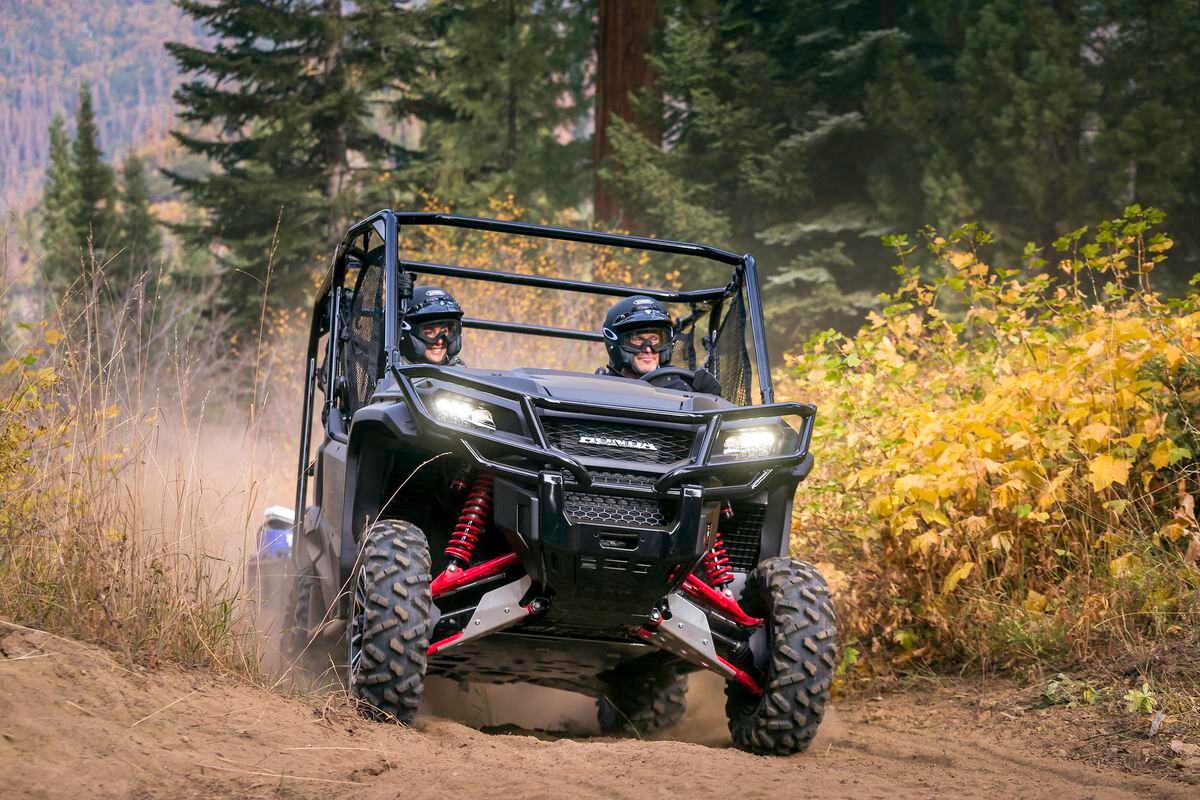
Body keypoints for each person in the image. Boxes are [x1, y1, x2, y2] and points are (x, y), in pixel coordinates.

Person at [597, 295, 720, 394]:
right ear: (616, 344)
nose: (648, 349)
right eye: (637, 340)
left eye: (655, 339)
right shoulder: (603, 390)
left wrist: (712, 398)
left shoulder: (681, 388)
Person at [397, 284, 467, 366]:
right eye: (429, 333)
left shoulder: (461, 372)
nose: (440, 341)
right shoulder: (391, 372)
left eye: (444, 332)